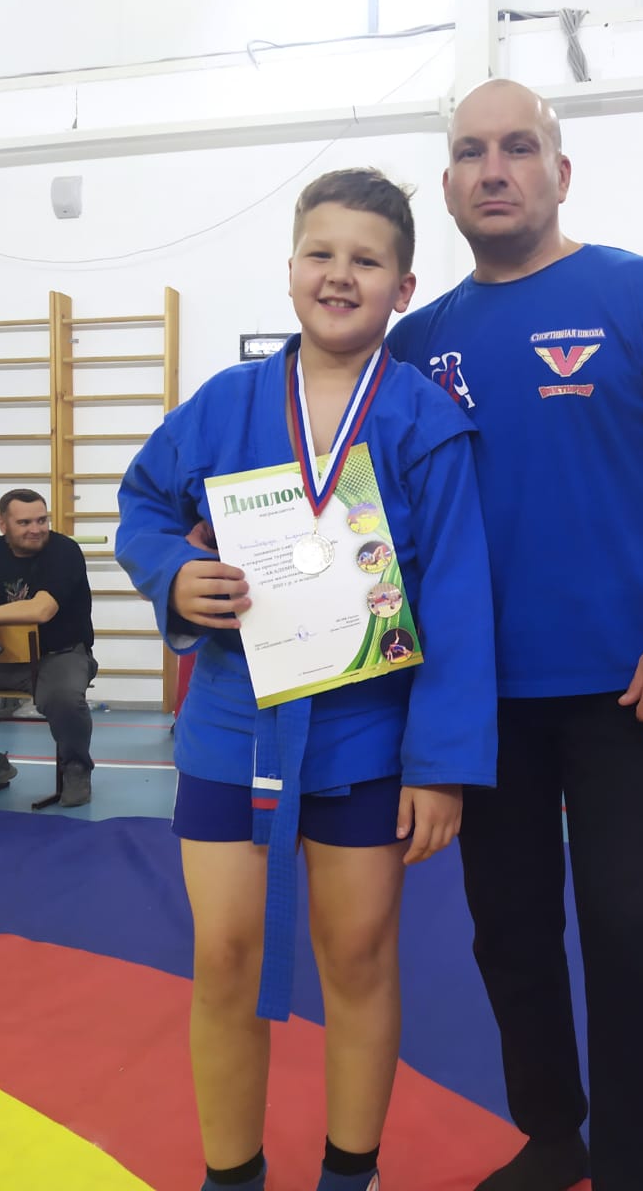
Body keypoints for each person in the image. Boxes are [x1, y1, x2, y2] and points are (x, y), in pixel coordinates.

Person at [388, 79, 643, 1191]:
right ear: (448, 184)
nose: (493, 168)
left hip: (630, 685)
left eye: (518, 147)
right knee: (506, 931)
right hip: (477, 696)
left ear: (561, 172)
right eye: (471, 151)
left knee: (632, 932)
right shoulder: (416, 342)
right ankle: (553, 1134)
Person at [115, 168, 497, 1191]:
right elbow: (142, 503)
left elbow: (459, 600)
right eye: (321, 253)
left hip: (367, 736)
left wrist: (441, 764)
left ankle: (348, 1174)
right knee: (224, 955)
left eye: (366, 260)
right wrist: (173, 570)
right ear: (290, 269)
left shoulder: (424, 421)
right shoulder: (224, 404)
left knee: (359, 956)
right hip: (232, 723)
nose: (339, 275)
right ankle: (231, 1175)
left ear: (403, 287)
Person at [0, 488, 96, 805]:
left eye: (41, 520)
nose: (36, 529)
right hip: (7, 656)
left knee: (63, 699)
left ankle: (76, 768)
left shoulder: (64, 551)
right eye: (24, 522)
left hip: (62, 654)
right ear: (3, 525)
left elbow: (41, 609)